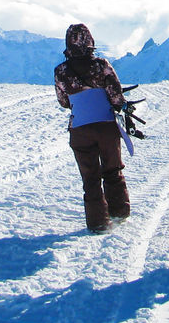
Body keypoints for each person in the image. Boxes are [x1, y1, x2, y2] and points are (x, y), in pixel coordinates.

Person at [54, 23, 131, 233]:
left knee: (90, 177)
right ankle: (119, 213)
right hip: (105, 126)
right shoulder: (102, 65)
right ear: (90, 42)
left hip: (79, 128)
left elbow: (63, 101)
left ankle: (97, 223)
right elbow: (116, 96)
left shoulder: (60, 71)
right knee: (113, 170)